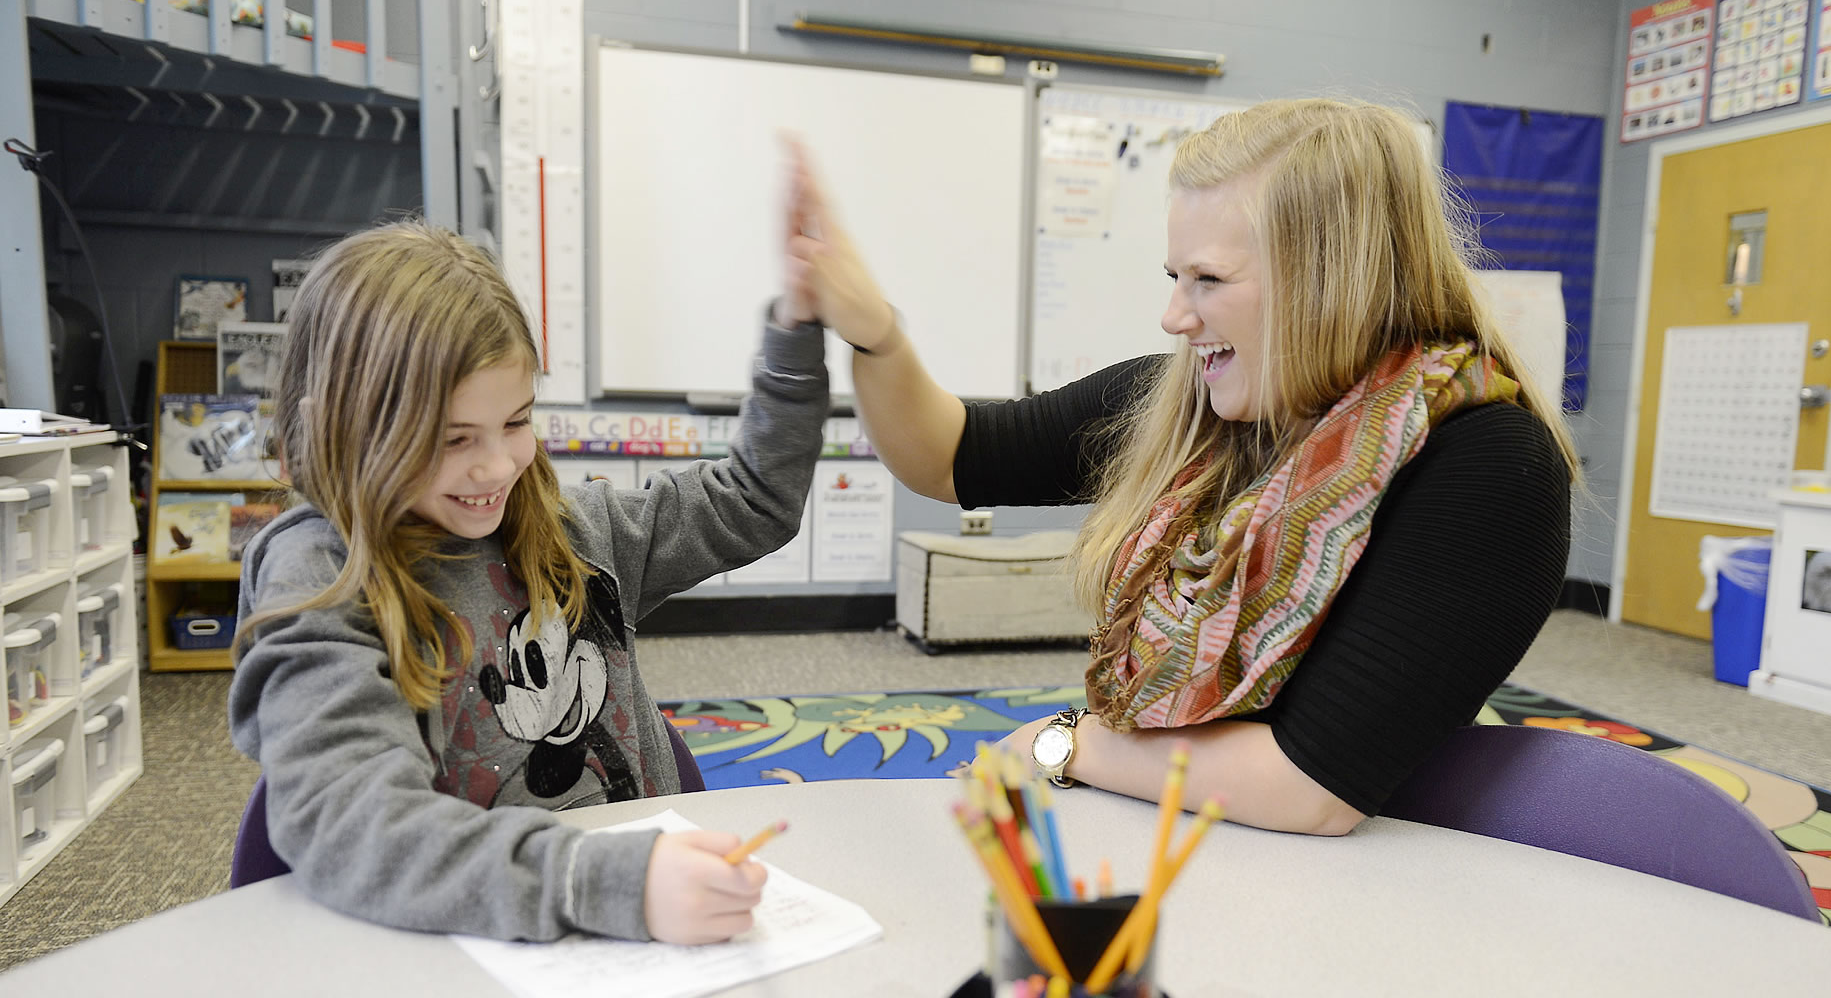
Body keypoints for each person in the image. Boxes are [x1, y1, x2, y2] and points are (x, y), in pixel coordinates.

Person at [785, 98, 1578, 836]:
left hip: (1347, 883)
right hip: (1171, 831)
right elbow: (948, 456)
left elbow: (1312, 788)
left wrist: (1067, 745)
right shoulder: (1187, 403)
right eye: (1175, 278)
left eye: (1209, 280)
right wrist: (875, 335)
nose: (1175, 316)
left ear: (1332, 281)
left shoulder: (1487, 464)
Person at [228, 203, 830, 943]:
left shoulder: (570, 532)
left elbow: (754, 500)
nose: (497, 465)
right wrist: (603, 881)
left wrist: (795, 337)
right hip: (460, 962)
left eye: (516, 422)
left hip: (625, 942)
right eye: (451, 439)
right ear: (343, 428)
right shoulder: (322, 577)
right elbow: (356, 828)